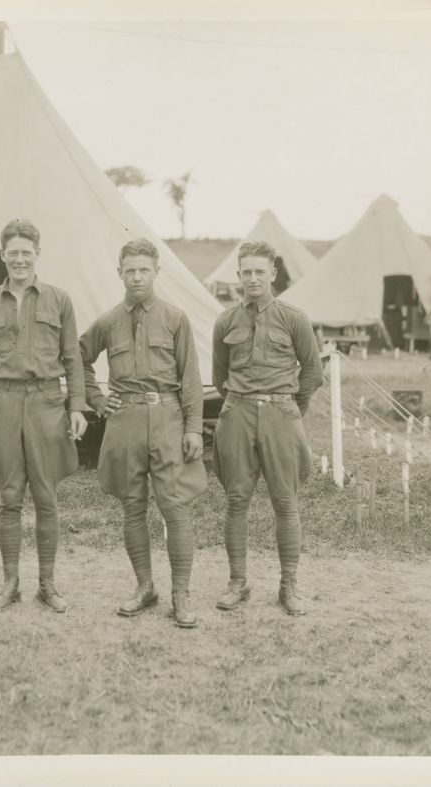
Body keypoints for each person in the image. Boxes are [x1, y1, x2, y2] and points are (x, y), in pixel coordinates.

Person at [79, 238, 206, 628]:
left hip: (167, 417)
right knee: (132, 507)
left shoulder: (175, 318)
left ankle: (180, 594)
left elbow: (190, 380)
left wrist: (194, 428)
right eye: (130, 270)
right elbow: (76, 360)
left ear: (156, 272)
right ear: (119, 272)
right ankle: (144, 587)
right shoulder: (107, 321)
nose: (137, 277)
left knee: (175, 506)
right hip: (125, 421)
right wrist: (97, 401)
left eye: (144, 270)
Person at [0, 219, 88, 614]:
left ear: (38, 253)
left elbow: (73, 358)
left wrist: (77, 407)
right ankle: (10, 584)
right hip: (3, 402)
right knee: (9, 496)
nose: (19, 259)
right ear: (2, 255)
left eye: (26, 252)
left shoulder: (59, 300)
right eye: (12, 252)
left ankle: (47, 584)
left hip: (47, 402)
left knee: (47, 497)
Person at [211, 240, 323, 616]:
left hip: (281, 412)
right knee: (236, 500)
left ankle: (289, 586)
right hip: (238, 413)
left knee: (286, 503)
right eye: (247, 272)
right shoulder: (225, 321)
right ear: (238, 275)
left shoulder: (294, 317)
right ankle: (237, 583)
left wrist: (292, 410)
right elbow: (219, 373)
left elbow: (312, 371)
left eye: (261, 271)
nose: (253, 278)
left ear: (273, 274)